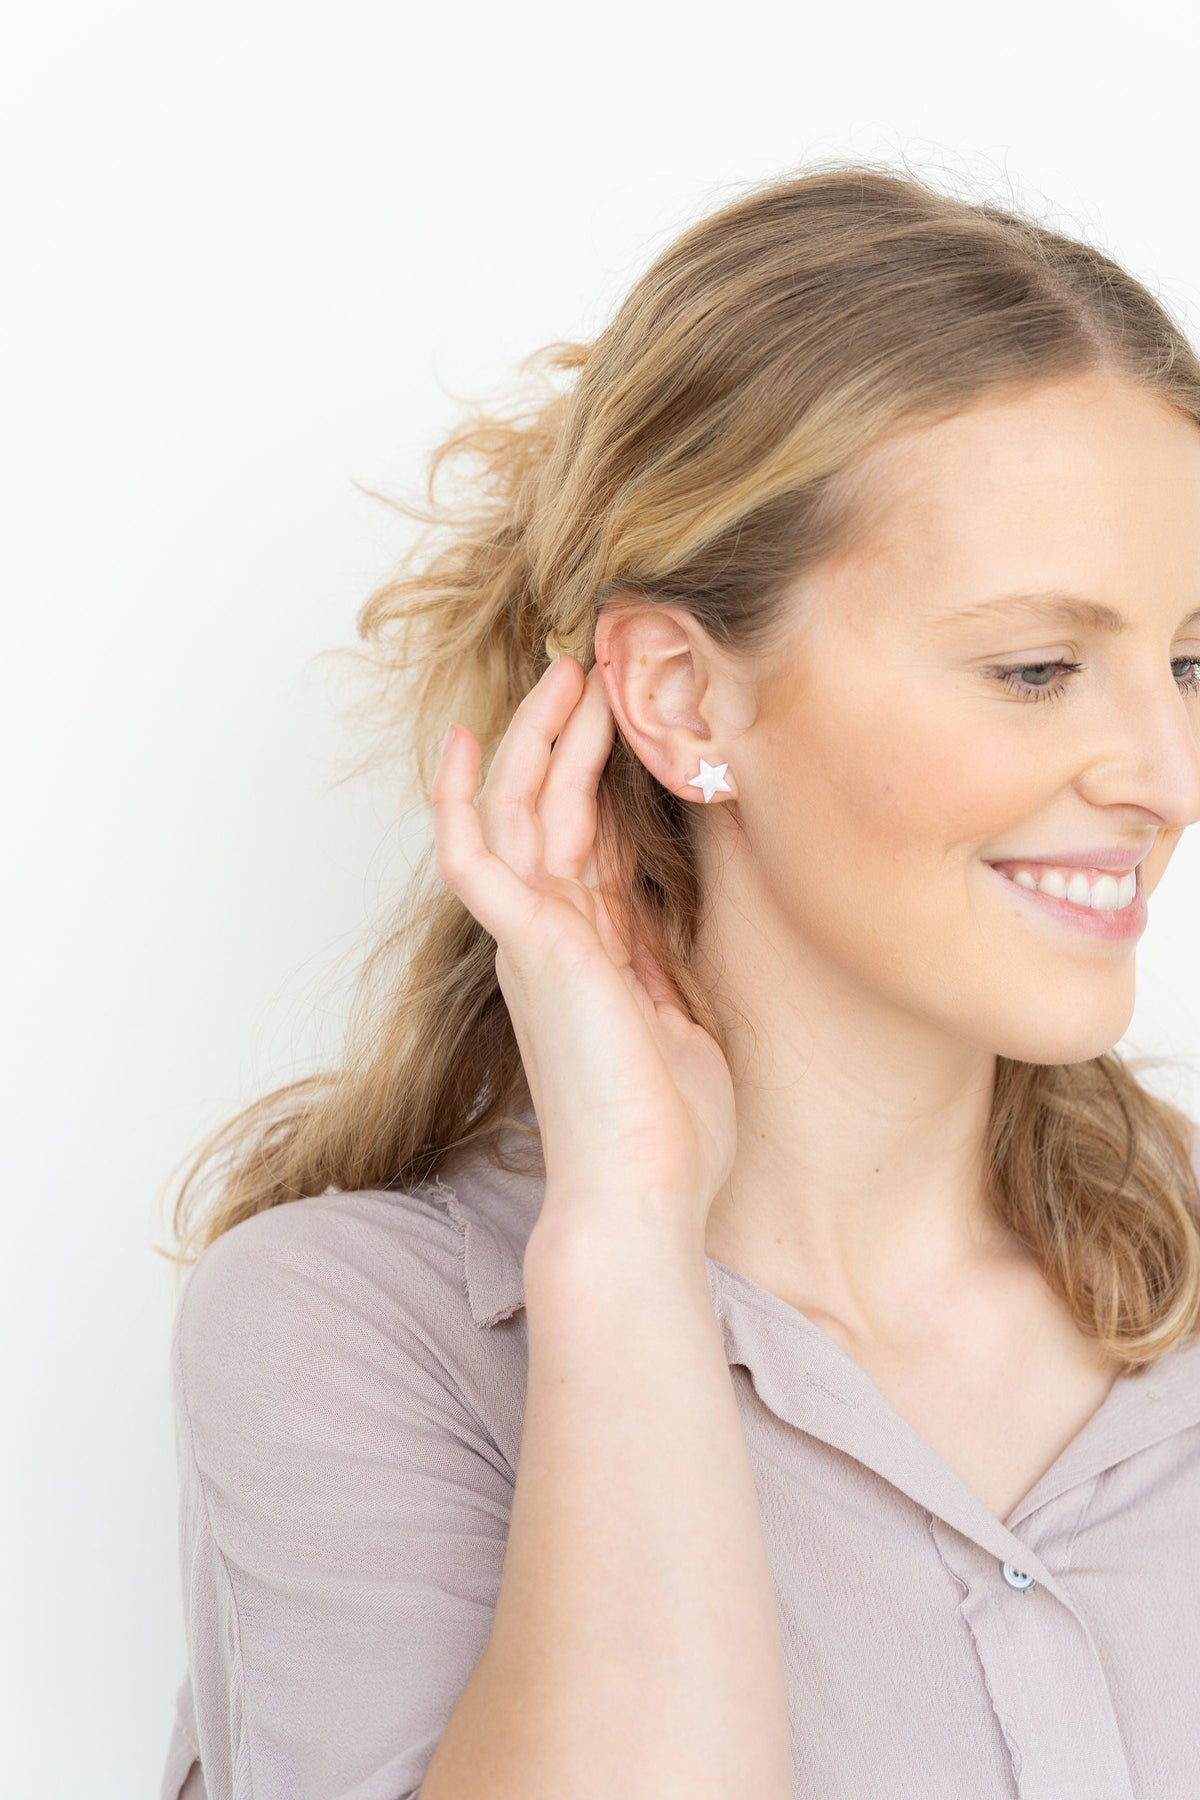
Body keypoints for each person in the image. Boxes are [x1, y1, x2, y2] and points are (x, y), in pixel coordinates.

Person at [156, 161, 1200, 1799]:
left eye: (1192, 663)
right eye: (1035, 668)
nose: (1167, 774)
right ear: (682, 699)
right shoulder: (356, 1337)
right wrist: (634, 1236)